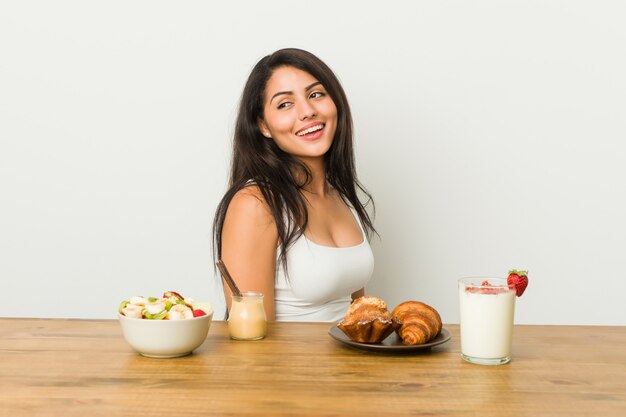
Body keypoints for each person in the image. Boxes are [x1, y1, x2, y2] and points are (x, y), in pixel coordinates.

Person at [213, 48, 377, 322]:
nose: (308, 112)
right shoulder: (254, 204)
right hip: (290, 365)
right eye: (284, 104)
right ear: (263, 125)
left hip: (353, 364)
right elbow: (251, 340)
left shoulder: (341, 196)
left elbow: (359, 316)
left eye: (315, 94)